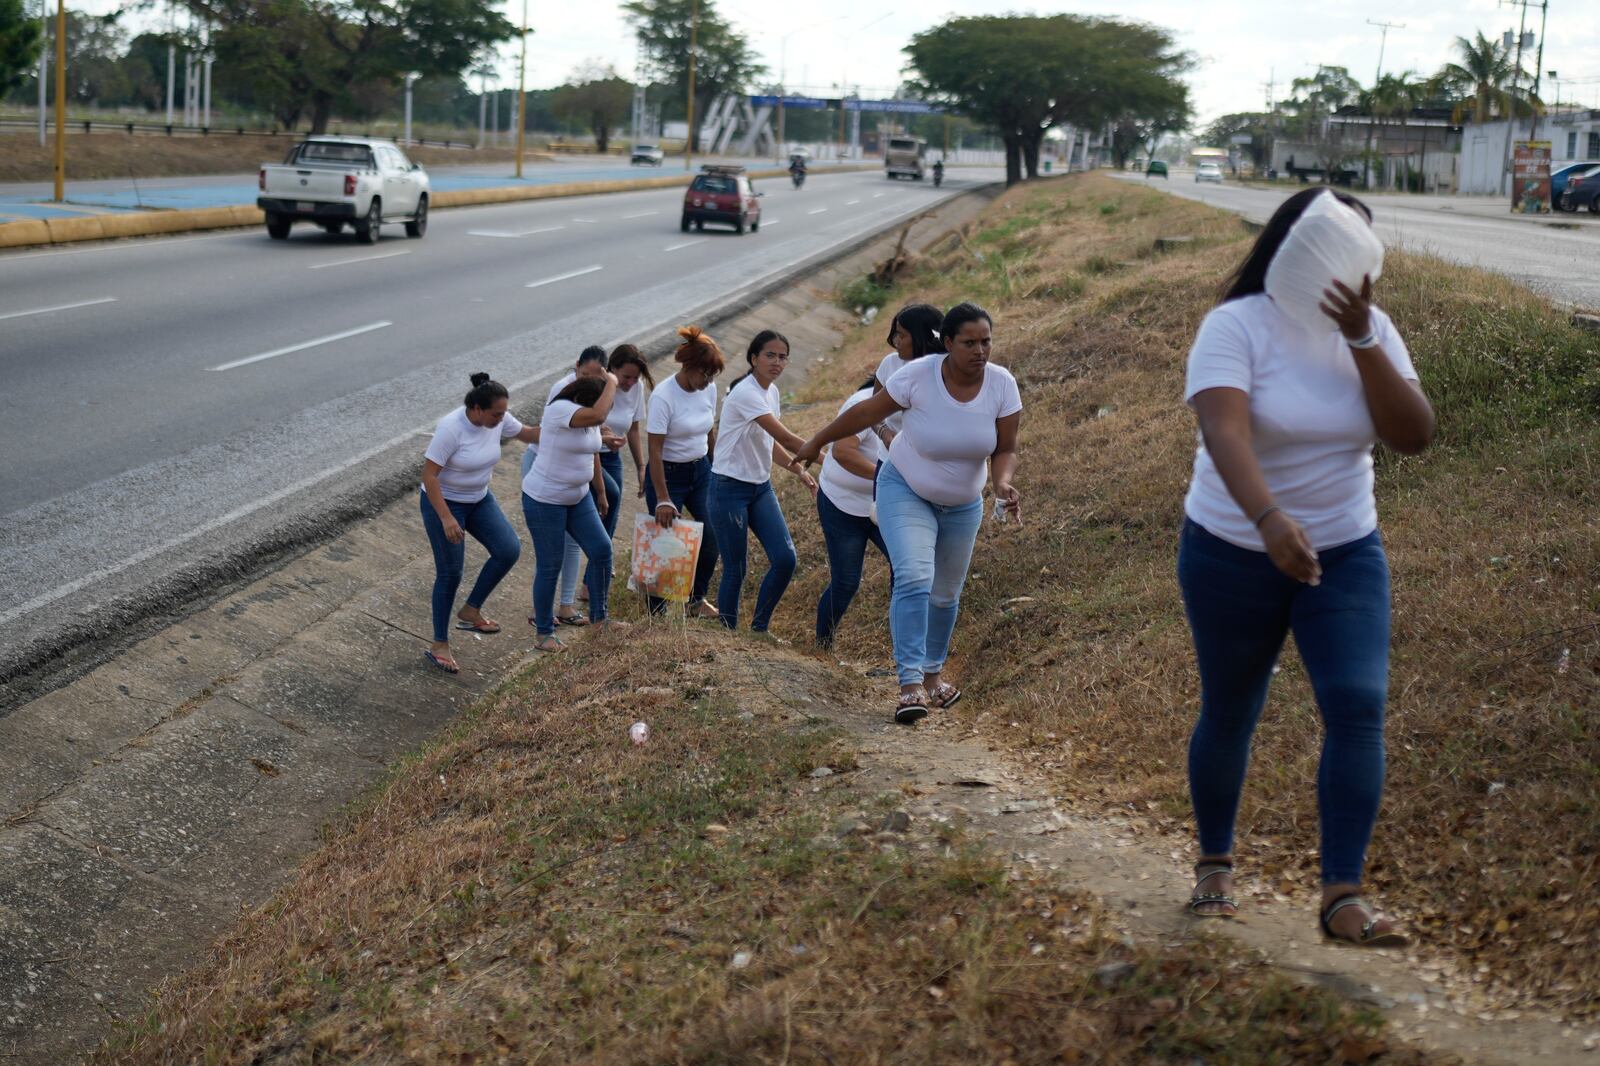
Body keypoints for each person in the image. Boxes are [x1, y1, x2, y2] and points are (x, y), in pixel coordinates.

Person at [1176, 187, 1434, 946]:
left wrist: (1363, 340)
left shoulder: (1374, 329)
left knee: (1357, 704)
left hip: (1346, 550)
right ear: (1300, 251)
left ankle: (1342, 895)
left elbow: (1413, 434)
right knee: (1232, 708)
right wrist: (1268, 519)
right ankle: (1215, 867)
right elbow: (1225, 434)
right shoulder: (1234, 326)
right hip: (1231, 548)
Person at [795, 303, 1021, 724]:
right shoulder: (918, 376)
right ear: (947, 342)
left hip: (963, 504)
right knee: (915, 576)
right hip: (905, 488)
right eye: (969, 342)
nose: (980, 350)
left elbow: (1005, 448)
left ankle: (934, 677)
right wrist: (816, 441)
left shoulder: (1002, 385)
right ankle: (909, 684)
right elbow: (865, 412)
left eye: (986, 341)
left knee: (946, 593)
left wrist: (1002, 483)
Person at [419, 372, 540, 673]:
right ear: (477, 410)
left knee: (508, 549)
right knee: (450, 573)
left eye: (503, 413)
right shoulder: (451, 428)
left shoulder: (497, 418)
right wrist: (446, 518)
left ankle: (471, 609)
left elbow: (527, 433)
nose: (502, 419)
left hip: (479, 499)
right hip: (444, 503)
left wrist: (574, 428)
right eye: (497, 414)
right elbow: (429, 476)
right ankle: (439, 644)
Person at [708, 330, 818, 632]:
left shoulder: (772, 392)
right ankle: (729, 634)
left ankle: (759, 629)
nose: (777, 362)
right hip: (728, 488)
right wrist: (829, 459)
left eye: (783, 356)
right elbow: (784, 436)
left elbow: (770, 442)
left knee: (785, 559)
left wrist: (798, 470)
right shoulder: (745, 392)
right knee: (736, 568)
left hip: (759, 487)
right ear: (754, 358)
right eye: (770, 355)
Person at [521, 346, 626, 626]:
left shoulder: (587, 413)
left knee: (602, 550)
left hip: (578, 497)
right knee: (550, 564)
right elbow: (598, 416)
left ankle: (600, 619)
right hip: (546, 499)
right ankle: (544, 631)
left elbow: (589, 449)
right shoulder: (561, 407)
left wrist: (601, 490)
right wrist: (613, 382)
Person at [644, 326, 725, 618]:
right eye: (705, 374)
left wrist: (716, 468)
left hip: (701, 471)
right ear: (689, 366)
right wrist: (663, 498)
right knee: (665, 542)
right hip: (667, 475)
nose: (709, 381)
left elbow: (710, 430)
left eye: (712, 375)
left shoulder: (709, 389)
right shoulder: (664, 397)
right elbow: (654, 450)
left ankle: (695, 599)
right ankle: (657, 613)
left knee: (713, 534)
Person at [813, 377, 892, 649]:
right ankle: (822, 646)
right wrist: (888, 476)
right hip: (841, 504)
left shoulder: (917, 406)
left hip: (885, 503)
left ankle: (905, 650)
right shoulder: (863, 404)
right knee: (846, 581)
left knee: (906, 569)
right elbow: (843, 451)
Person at [872, 303, 945, 453]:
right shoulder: (890, 364)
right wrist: (883, 432)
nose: (896, 340)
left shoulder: (949, 370)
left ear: (921, 337)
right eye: (895, 334)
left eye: (902, 335)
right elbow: (870, 413)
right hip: (892, 458)